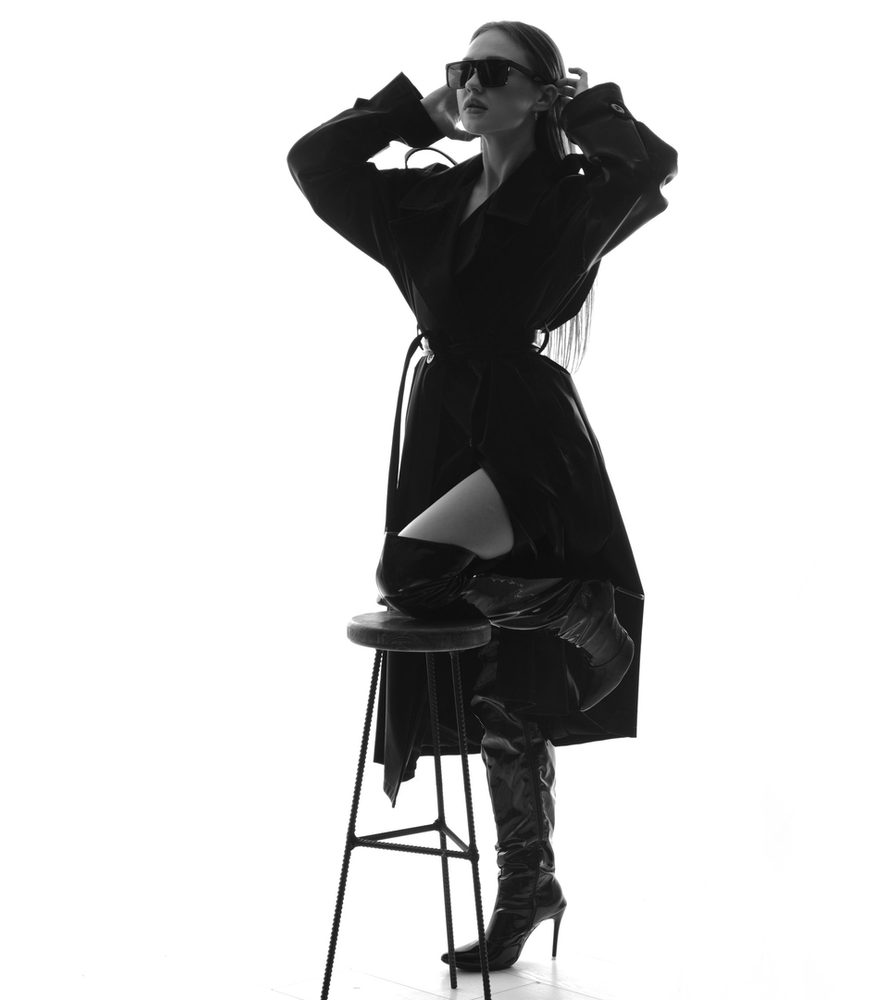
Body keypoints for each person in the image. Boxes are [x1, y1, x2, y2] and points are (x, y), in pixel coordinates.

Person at [289, 20, 676, 972]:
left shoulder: (571, 194)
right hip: (443, 429)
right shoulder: (427, 196)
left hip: (527, 436)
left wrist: (588, 108)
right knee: (506, 684)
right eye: (462, 69)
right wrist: (409, 114)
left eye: (492, 71)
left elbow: (651, 166)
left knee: (412, 571)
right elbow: (313, 164)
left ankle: (583, 608)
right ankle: (527, 885)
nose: (469, 82)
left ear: (540, 93)